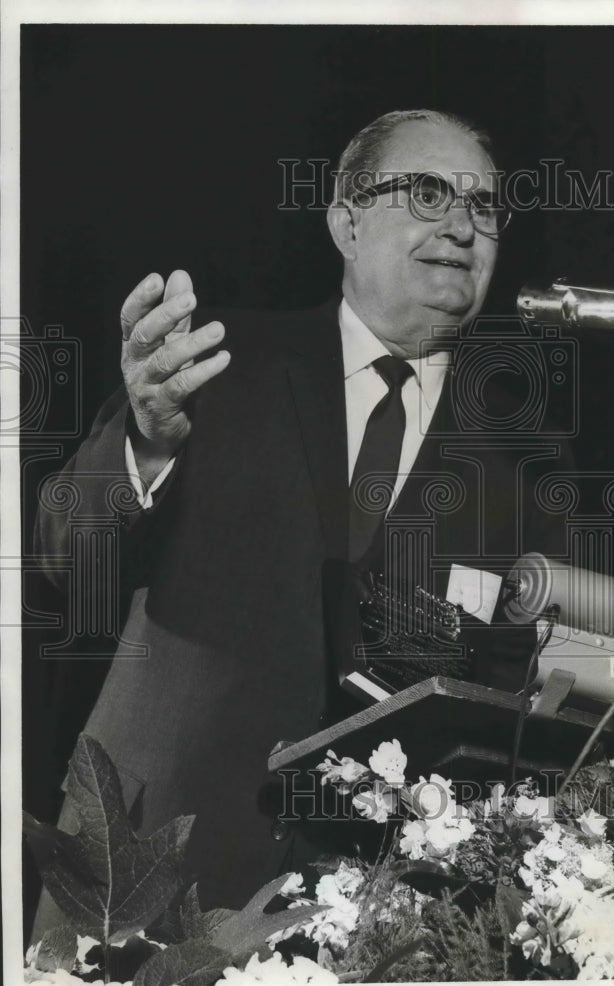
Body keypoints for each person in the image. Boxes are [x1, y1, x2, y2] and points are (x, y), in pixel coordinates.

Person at [31, 109, 569, 932]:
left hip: (375, 916)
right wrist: (143, 441)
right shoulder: (210, 364)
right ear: (346, 222)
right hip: (144, 870)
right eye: (427, 193)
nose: (462, 226)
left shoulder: (522, 468)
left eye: (484, 206)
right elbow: (67, 559)